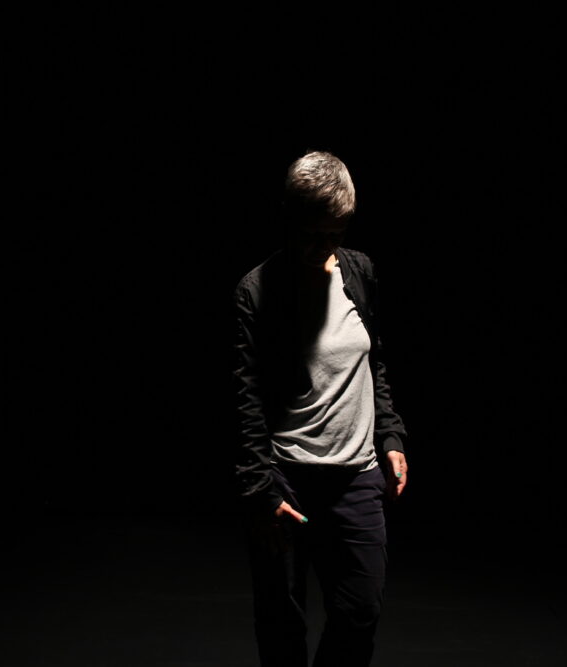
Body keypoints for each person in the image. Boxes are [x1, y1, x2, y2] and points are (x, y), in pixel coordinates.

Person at [232, 150, 409, 667]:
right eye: (312, 234)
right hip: (286, 478)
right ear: (288, 218)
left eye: (336, 233)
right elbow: (244, 399)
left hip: (357, 479)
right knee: (282, 625)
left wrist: (390, 434)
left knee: (360, 610)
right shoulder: (255, 291)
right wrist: (260, 490)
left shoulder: (360, 271)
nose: (324, 246)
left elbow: (373, 361)